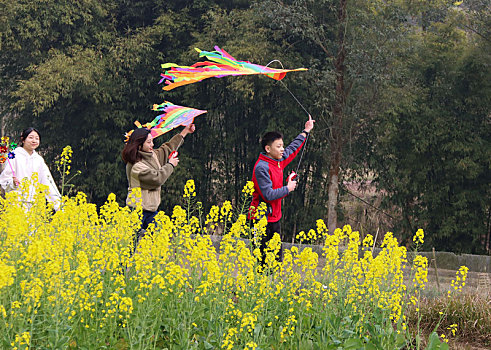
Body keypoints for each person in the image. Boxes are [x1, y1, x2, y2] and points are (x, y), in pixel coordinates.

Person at [250, 115, 315, 266]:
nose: (282, 149)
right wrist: (288, 188)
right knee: (262, 262)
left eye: (282, 146)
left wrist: (306, 130)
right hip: (261, 219)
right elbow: (268, 194)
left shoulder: (278, 160)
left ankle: (271, 288)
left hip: (274, 218)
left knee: (276, 261)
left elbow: (293, 148)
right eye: (278, 146)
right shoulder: (262, 167)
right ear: (268, 149)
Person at [121, 124, 196, 236]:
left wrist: (185, 131)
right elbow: (157, 179)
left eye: (152, 141)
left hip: (151, 210)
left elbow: (168, 148)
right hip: (136, 210)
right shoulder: (135, 166)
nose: (152, 144)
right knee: (130, 246)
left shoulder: (152, 155)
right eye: (149, 142)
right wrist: (170, 165)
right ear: (139, 145)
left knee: (160, 241)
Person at [0, 127, 61, 210]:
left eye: (37, 138)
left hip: (34, 204)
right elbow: (4, 180)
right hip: (16, 203)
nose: (34, 141)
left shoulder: (39, 159)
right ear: (23, 139)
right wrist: (13, 183)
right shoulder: (14, 156)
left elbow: (48, 183)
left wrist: (59, 206)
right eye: (31, 137)